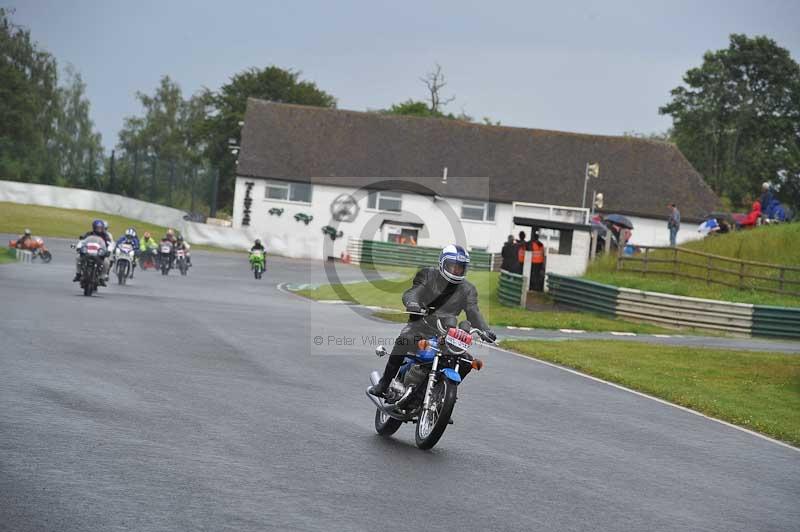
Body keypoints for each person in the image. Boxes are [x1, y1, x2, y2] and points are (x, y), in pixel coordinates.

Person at [368, 244, 496, 398]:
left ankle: (441, 396)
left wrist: (485, 330)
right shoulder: (428, 275)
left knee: (465, 360)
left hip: (447, 334)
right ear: (443, 263)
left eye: (460, 267)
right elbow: (413, 292)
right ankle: (384, 383)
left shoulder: (468, 289)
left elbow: (473, 311)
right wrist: (413, 303)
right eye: (453, 266)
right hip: (420, 326)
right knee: (404, 340)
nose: (456, 270)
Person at [73, 219, 112, 285]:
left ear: (102, 228)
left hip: (99, 254)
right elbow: (82, 241)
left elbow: (110, 244)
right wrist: (79, 247)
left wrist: (109, 250)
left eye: (100, 228)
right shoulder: (89, 234)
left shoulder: (105, 236)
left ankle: (102, 278)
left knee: (106, 262)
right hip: (88, 252)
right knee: (78, 257)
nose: (99, 229)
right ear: (94, 227)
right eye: (97, 228)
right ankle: (78, 274)